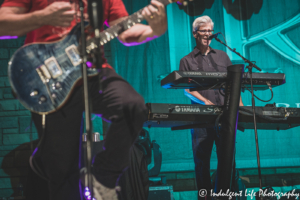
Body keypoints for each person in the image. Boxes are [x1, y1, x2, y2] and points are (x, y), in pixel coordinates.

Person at [0, 0, 167, 200]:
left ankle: (104, 178)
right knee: (62, 171)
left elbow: (125, 31)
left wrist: (154, 31)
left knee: (132, 106)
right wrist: (42, 17)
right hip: (48, 79)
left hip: (94, 72)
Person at [179, 15, 244, 200]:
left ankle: (227, 196)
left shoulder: (223, 56)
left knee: (228, 161)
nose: (208, 35)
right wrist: (206, 103)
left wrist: (242, 108)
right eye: (204, 31)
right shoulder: (187, 60)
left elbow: (234, 85)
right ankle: (204, 197)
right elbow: (187, 90)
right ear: (195, 33)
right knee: (202, 162)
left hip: (225, 118)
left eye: (210, 31)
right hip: (202, 119)